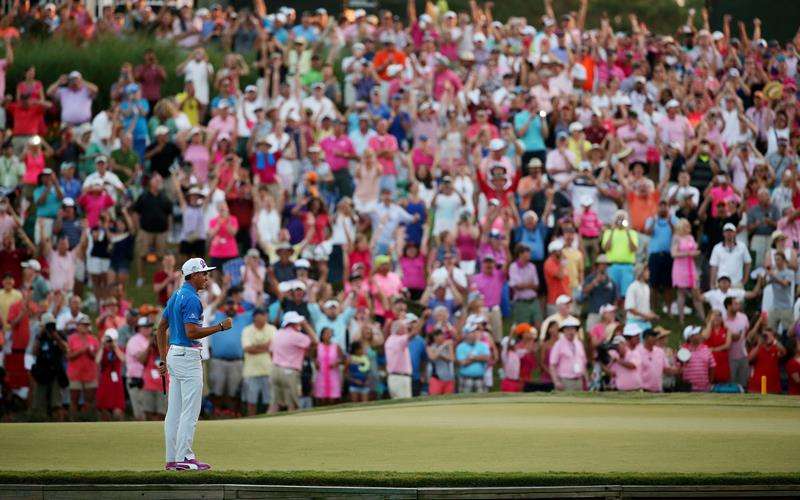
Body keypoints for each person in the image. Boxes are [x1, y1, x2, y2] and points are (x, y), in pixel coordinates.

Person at [156, 258, 234, 471]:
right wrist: (220, 327)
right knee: (189, 412)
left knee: (174, 412)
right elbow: (192, 332)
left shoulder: (175, 296)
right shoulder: (191, 299)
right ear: (193, 275)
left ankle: (172, 459)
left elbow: (160, 329)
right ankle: (184, 458)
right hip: (188, 357)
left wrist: (163, 359)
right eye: (203, 273)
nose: (207, 277)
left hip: (174, 355)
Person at [268, 311, 318, 414]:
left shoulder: (277, 333)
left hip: (274, 370)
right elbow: (315, 341)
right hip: (289, 372)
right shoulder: (297, 336)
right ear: (294, 323)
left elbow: (271, 352)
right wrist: (306, 325)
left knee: (274, 405)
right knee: (293, 406)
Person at [240, 307, 275, 416]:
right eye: (262, 315)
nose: (265, 317)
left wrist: (255, 347)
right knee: (251, 402)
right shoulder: (247, 330)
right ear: (255, 317)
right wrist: (265, 347)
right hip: (251, 371)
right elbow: (247, 349)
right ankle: (250, 423)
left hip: (269, 370)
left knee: (270, 401)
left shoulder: (272, 328)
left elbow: (273, 347)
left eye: (265, 315)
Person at [548, 317, 587, 391]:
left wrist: (586, 380)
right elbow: (552, 365)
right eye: (568, 329)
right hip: (565, 380)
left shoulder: (579, 344)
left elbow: (583, 363)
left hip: (579, 380)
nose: (571, 332)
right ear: (563, 331)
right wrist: (556, 382)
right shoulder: (558, 344)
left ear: (576, 330)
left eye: (573, 329)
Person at [456, 323, 491, 393]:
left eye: (475, 332)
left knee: (482, 401)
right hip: (465, 378)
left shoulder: (483, 345)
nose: (475, 334)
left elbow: (487, 358)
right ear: (466, 334)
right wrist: (479, 358)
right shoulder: (460, 347)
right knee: (464, 401)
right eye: (472, 332)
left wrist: (473, 357)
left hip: (480, 378)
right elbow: (463, 362)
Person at [679, 325, 716, 392]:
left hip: (704, 388)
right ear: (690, 337)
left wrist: (710, 382)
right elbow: (678, 370)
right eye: (697, 334)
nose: (700, 335)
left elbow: (712, 367)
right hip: (688, 389)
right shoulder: (683, 350)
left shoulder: (706, 349)